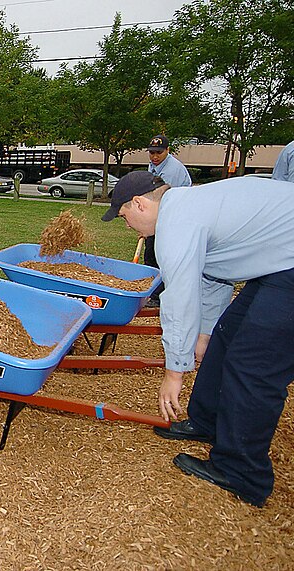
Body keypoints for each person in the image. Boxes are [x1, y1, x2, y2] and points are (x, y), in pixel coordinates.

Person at [101, 170, 294, 508]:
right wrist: (204, 333)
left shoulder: (177, 226)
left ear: (139, 204)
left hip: (286, 264)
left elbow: (180, 297)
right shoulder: (188, 207)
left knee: (253, 366)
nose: (127, 225)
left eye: (124, 217)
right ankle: (207, 422)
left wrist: (174, 373)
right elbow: (213, 275)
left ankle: (242, 473)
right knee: (226, 336)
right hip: (278, 261)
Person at [144, 134, 192, 306]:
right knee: (150, 254)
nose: (155, 156)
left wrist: (147, 224)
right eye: (152, 153)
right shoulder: (154, 165)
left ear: (167, 151)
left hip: (174, 216)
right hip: (162, 214)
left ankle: (158, 296)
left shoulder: (172, 170)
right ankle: (152, 291)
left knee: (160, 256)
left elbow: (161, 201)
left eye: (159, 152)